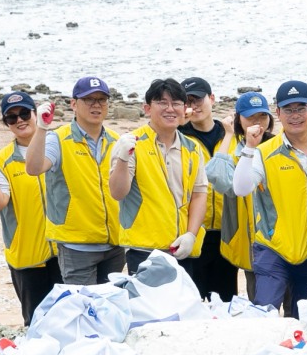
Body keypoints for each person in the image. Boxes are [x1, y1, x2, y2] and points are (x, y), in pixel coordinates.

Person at [230, 79, 307, 313]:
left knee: (305, 321)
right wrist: (248, 148)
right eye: (288, 109)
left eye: (301, 108)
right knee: (264, 314)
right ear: (278, 113)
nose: (295, 115)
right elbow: (241, 188)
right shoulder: (265, 151)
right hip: (272, 249)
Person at [25, 75, 123, 285]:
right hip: (76, 245)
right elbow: (33, 168)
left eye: (102, 100)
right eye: (89, 100)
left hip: (115, 243)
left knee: (111, 309)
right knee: (83, 309)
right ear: (74, 104)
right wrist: (41, 127)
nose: (96, 105)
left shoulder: (117, 141)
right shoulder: (58, 138)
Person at [0, 91, 60, 324]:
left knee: (72, 317)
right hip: (28, 256)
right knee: (36, 323)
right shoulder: (2, 161)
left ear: (36, 114)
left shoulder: (58, 147)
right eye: (12, 118)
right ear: (7, 124)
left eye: (25, 113)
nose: (20, 120)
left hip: (67, 249)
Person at [109, 78, 208, 272]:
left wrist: (191, 235)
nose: (170, 109)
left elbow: (199, 194)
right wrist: (122, 158)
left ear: (184, 108)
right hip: (144, 249)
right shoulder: (132, 143)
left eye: (176, 103)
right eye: (162, 103)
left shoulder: (192, 147)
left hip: (181, 247)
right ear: (147, 108)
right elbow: (118, 192)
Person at [206, 91, 274, 302]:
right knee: (259, 302)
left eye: (262, 116)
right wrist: (227, 135)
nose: (257, 122)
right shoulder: (234, 151)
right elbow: (218, 177)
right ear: (238, 120)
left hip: (278, 240)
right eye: (250, 117)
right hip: (247, 241)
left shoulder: (277, 147)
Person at [179, 76, 238, 300]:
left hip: (228, 229)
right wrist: (178, 122)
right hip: (194, 229)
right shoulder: (179, 136)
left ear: (211, 99)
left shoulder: (231, 134)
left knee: (226, 298)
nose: (194, 106)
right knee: (194, 297)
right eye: (187, 102)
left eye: (198, 99)